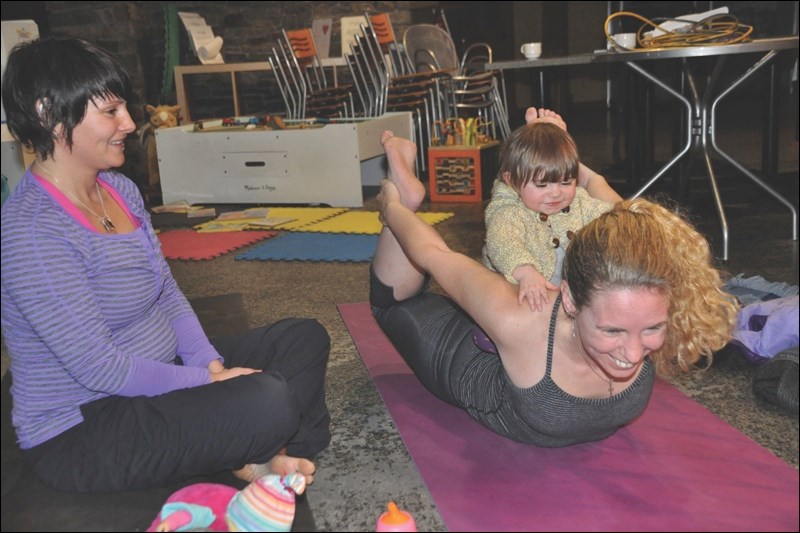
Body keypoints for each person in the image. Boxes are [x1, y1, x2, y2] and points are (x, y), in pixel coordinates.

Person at [0, 35, 330, 493]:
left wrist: (209, 365)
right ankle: (257, 451)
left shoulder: (120, 190)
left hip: (162, 373)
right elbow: (101, 370)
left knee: (303, 338)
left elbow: (167, 295)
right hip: (87, 426)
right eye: (111, 112)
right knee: (269, 401)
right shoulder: (32, 231)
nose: (130, 124)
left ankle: (266, 458)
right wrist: (205, 384)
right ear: (49, 115)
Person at [370, 130, 738, 447]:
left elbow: (619, 210)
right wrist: (392, 208)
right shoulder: (519, 318)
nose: (634, 350)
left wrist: (566, 153)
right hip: (458, 350)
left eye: (652, 329)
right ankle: (407, 196)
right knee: (394, 302)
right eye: (613, 330)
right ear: (571, 299)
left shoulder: (645, 292)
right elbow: (434, 253)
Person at [483, 108, 619, 313]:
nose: (555, 193)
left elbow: (610, 217)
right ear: (513, 182)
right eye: (542, 185)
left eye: (566, 182)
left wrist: (624, 226)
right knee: (504, 302)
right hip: (522, 288)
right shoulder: (510, 211)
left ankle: (550, 137)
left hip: (567, 292)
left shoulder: (578, 199)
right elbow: (503, 242)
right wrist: (525, 272)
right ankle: (541, 137)